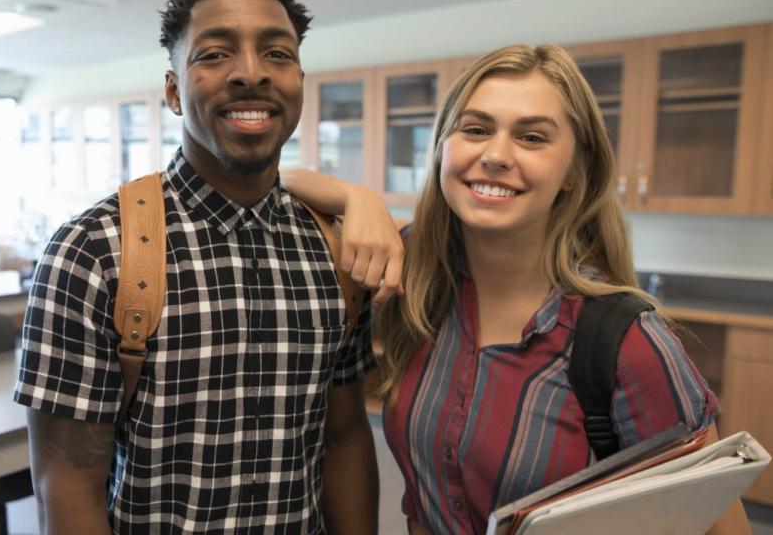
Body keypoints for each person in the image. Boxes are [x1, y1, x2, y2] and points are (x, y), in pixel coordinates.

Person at [285, 44, 750, 534]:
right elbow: (283, 176)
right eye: (476, 129)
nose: (496, 155)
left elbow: (720, 526)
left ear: (574, 172)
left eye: (531, 137)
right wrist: (359, 197)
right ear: (443, 147)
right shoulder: (418, 278)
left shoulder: (626, 342)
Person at [14, 0, 397, 534]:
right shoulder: (94, 251)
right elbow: (67, 478)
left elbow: (343, 441)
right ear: (173, 91)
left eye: (277, 53)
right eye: (215, 53)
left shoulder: (332, 252)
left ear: (298, 82)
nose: (250, 73)